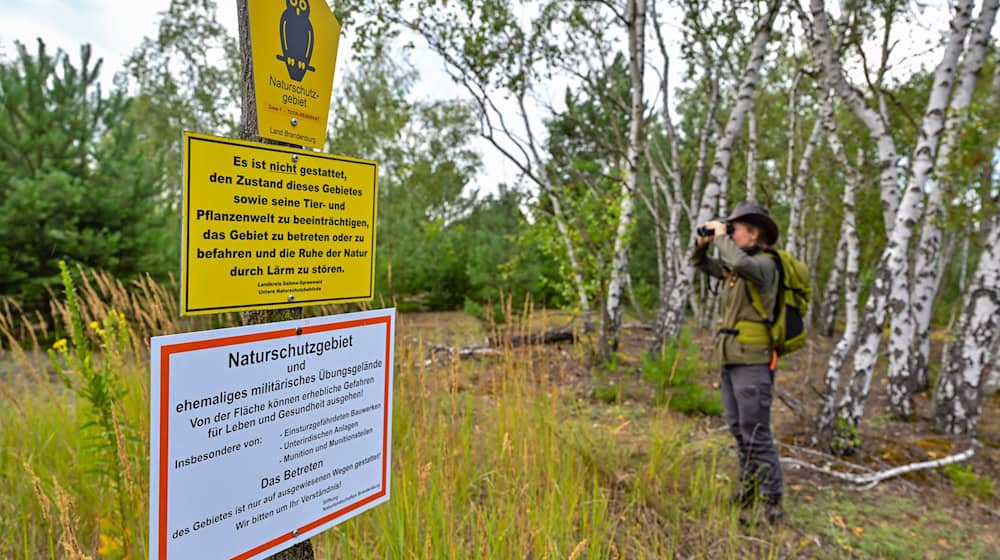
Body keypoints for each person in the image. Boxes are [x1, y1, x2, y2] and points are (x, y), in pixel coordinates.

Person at [691, 202, 784, 525]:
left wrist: (721, 238)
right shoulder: (736, 266)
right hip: (731, 358)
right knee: (738, 430)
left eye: (735, 229)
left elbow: (739, 263)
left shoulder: (765, 266)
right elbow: (700, 266)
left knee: (756, 432)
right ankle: (748, 491)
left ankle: (772, 502)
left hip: (753, 361)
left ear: (755, 233)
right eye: (728, 229)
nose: (730, 233)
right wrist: (702, 246)